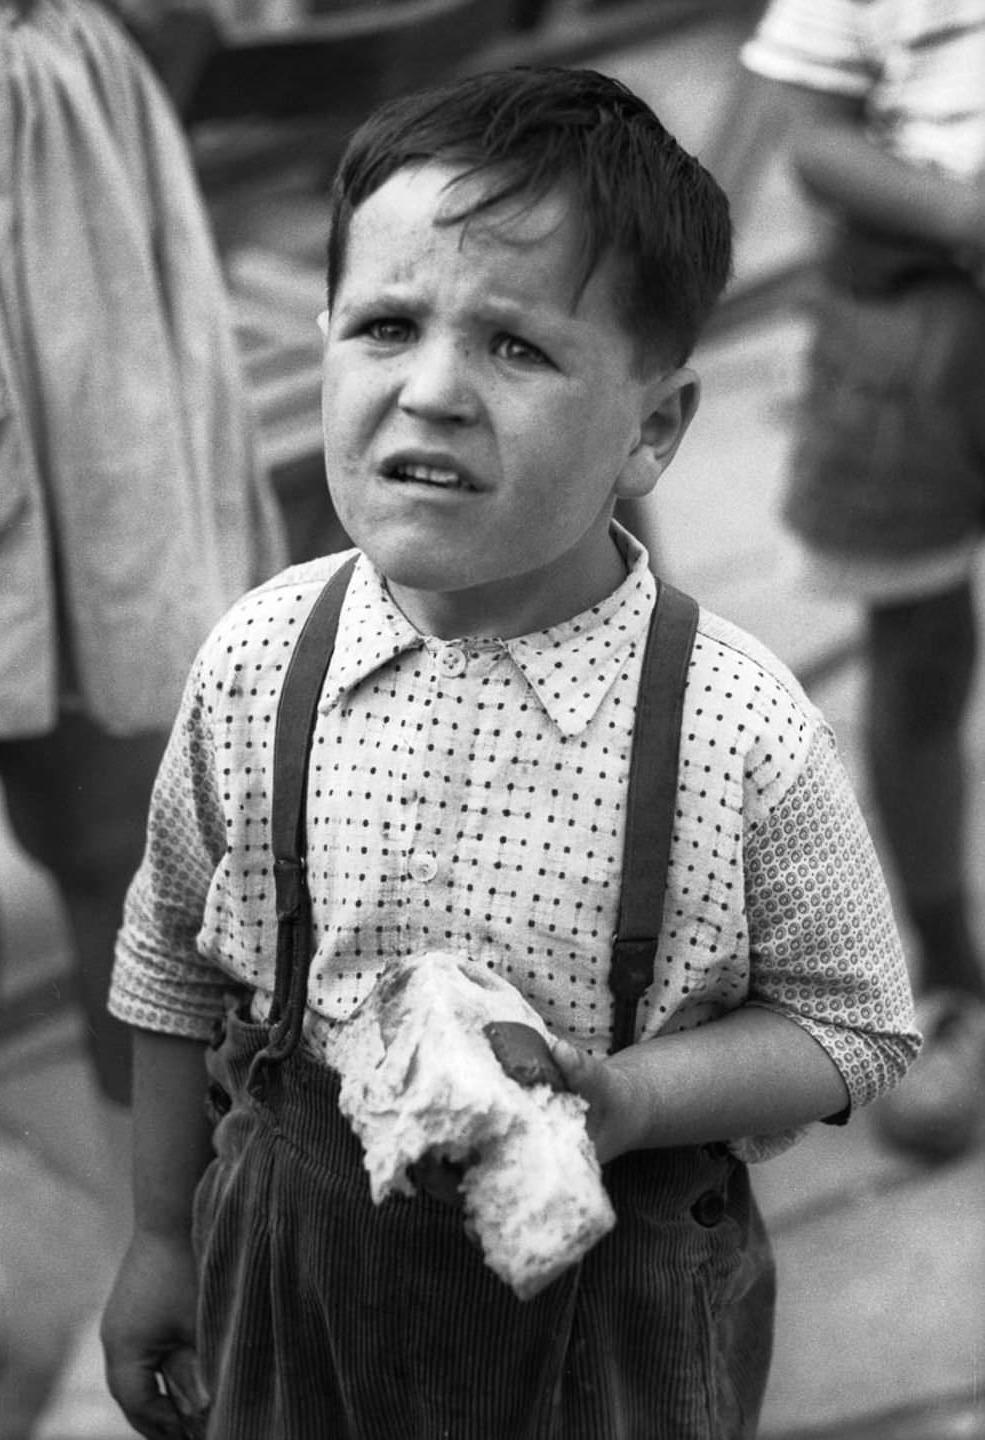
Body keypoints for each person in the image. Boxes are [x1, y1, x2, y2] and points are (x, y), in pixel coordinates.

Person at [101, 66, 919, 1440]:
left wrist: (628, 1098)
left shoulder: (736, 729)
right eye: (385, 325)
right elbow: (172, 962)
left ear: (653, 426)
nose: (431, 391)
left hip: (609, 1311)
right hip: (293, 1263)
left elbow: (852, 1027)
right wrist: (161, 1237)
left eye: (516, 347)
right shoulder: (257, 660)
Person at [0, 0, 286, 1114]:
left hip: (56, 212)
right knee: (115, 801)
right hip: (60, 187)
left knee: (117, 798)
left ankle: (169, 1222)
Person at [742, 0, 985, 1160]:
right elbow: (815, 135)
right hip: (910, 324)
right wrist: (959, 215)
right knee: (922, 650)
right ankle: (948, 976)